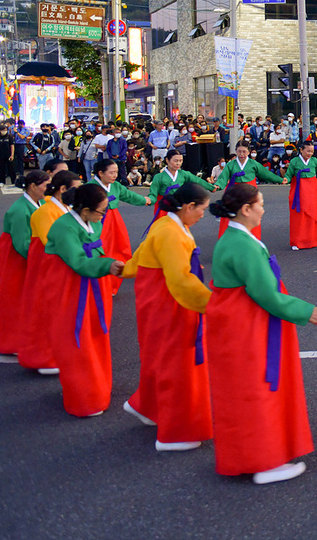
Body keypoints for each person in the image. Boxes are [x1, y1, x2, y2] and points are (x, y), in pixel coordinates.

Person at [205, 184, 317, 484]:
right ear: (246, 209)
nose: (264, 208)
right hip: (247, 325)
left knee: (243, 390)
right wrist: (307, 311)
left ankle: (249, 456)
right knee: (259, 387)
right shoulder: (244, 245)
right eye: (260, 204)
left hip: (237, 322)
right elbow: (266, 295)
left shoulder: (233, 237)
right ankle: (266, 461)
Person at [121, 183, 213, 452]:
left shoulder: (164, 225)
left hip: (156, 300)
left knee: (159, 356)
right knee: (178, 362)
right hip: (169, 303)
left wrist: (124, 270)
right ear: (188, 207)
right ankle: (175, 432)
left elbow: (139, 258)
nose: (203, 215)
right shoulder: (172, 233)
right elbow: (180, 280)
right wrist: (213, 303)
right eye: (202, 209)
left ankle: (147, 406)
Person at [39, 183, 125, 416]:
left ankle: (96, 387)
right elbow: (77, 262)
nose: (104, 215)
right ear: (85, 210)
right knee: (76, 342)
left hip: (90, 286)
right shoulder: (63, 228)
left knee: (95, 336)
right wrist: (108, 265)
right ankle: (83, 398)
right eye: (101, 211)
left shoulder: (91, 222)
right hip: (69, 290)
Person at [18, 170, 80, 373]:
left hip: (59, 266)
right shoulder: (45, 212)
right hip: (48, 267)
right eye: (75, 189)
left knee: (59, 313)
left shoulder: (61, 207)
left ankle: (56, 353)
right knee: (44, 311)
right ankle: (43, 357)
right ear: (63, 189)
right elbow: (50, 243)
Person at [0, 170, 50, 355]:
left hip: (29, 255)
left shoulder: (39, 202)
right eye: (46, 185)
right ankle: (12, 342)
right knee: (15, 297)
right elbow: (22, 244)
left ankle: (26, 337)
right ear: (33, 186)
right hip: (17, 259)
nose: (49, 188)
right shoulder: (19, 210)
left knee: (28, 298)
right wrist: (43, 261)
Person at [91, 159, 151, 295]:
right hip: (97, 222)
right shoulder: (91, 187)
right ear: (100, 173)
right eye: (111, 173)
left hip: (114, 222)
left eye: (116, 172)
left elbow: (128, 195)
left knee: (120, 250)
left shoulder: (116, 186)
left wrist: (144, 200)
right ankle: (100, 285)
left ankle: (112, 284)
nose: (115, 175)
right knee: (100, 251)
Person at [215, 141, 288, 240]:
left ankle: (252, 244)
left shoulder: (253, 164)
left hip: (250, 194)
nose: (241, 154)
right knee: (233, 219)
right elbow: (223, 178)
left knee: (251, 218)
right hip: (234, 195)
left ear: (249, 152)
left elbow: (266, 174)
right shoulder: (230, 164)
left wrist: (279, 180)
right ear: (236, 151)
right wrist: (217, 186)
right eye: (239, 151)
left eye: (244, 152)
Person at [145, 149, 217, 232]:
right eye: (175, 161)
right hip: (165, 206)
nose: (178, 163)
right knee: (164, 231)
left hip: (180, 206)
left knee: (180, 230)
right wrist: (149, 200)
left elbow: (197, 181)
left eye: (180, 161)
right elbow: (153, 193)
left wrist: (211, 187)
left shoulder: (183, 174)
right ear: (167, 160)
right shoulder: (159, 177)